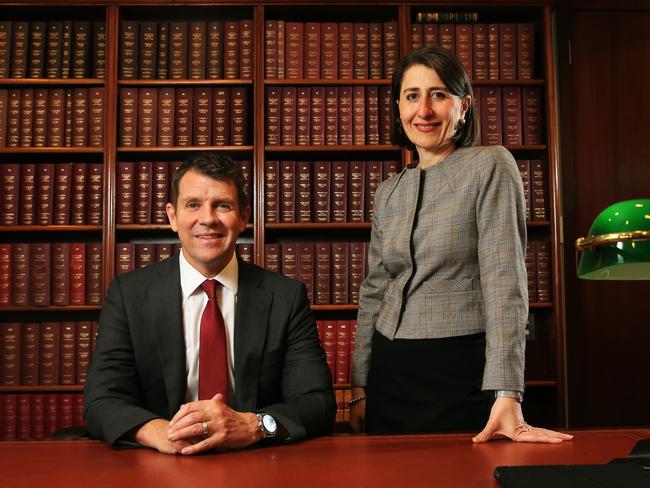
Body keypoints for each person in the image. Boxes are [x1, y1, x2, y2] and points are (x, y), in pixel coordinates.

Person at [350, 46, 572, 444]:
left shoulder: (491, 165)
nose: (424, 110)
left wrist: (507, 391)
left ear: (463, 105)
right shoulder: (387, 192)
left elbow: (505, 280)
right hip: (390, 370)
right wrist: (360, 387)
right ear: (398, 106)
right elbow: (374, 292)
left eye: (438, 94)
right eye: (412, 95)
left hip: (460, 366)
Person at [84, 152, 335, 455]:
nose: (207, 218)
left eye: (222, 205)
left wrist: (252, 425)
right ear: (172, 217)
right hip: (160, 464)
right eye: (193, 205)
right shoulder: (129, 294)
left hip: (255, 460)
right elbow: (102, 399)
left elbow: (316, 401)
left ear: (244, 217)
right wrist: (160, 432)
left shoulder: (286, 297)